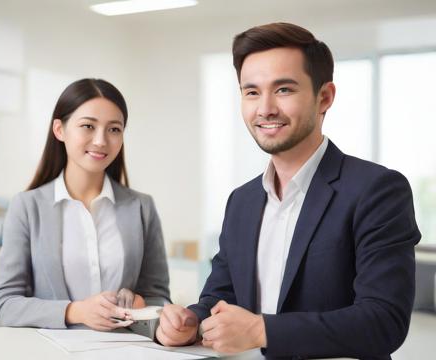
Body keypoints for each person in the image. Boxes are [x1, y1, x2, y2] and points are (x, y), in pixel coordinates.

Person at [156, 23, 421, 359]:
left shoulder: (377, 190)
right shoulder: (242, 201)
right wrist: (192, 320)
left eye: (283, 90)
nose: (265, 108)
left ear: (324, 97)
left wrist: (260, 330)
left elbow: (384, 322)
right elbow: (220, 297)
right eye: (251, 92)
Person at [0, 78, 170, 331]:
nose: (101, 140)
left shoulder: (141, 207)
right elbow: (3, 306)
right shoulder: (27, 207)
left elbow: (159, 298)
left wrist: (142, 306)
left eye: (114, 129)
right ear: (59, 130)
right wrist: (76, 311)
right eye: (88, 126)